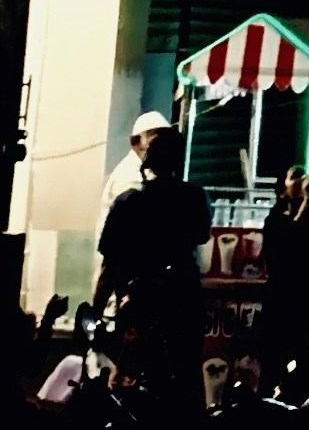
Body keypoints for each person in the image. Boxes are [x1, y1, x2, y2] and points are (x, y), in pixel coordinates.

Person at [93, 120, 213, 415]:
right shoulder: (194, 198)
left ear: (147, 160)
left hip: (140, 309)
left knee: (128, 391)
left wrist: (94, 314)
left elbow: (109, 266)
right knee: (184, 388)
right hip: (184, 306)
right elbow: (201, 235)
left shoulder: (128, 203)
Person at [254, 165, 309, 380]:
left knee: (304, 356)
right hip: (282, 299)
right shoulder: (274, 220)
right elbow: (289, 240)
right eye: (295, 176)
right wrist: (306, 201)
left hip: (307, 299)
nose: (302, 180)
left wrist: (308, 203)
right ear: (282, 190)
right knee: (276, 358)